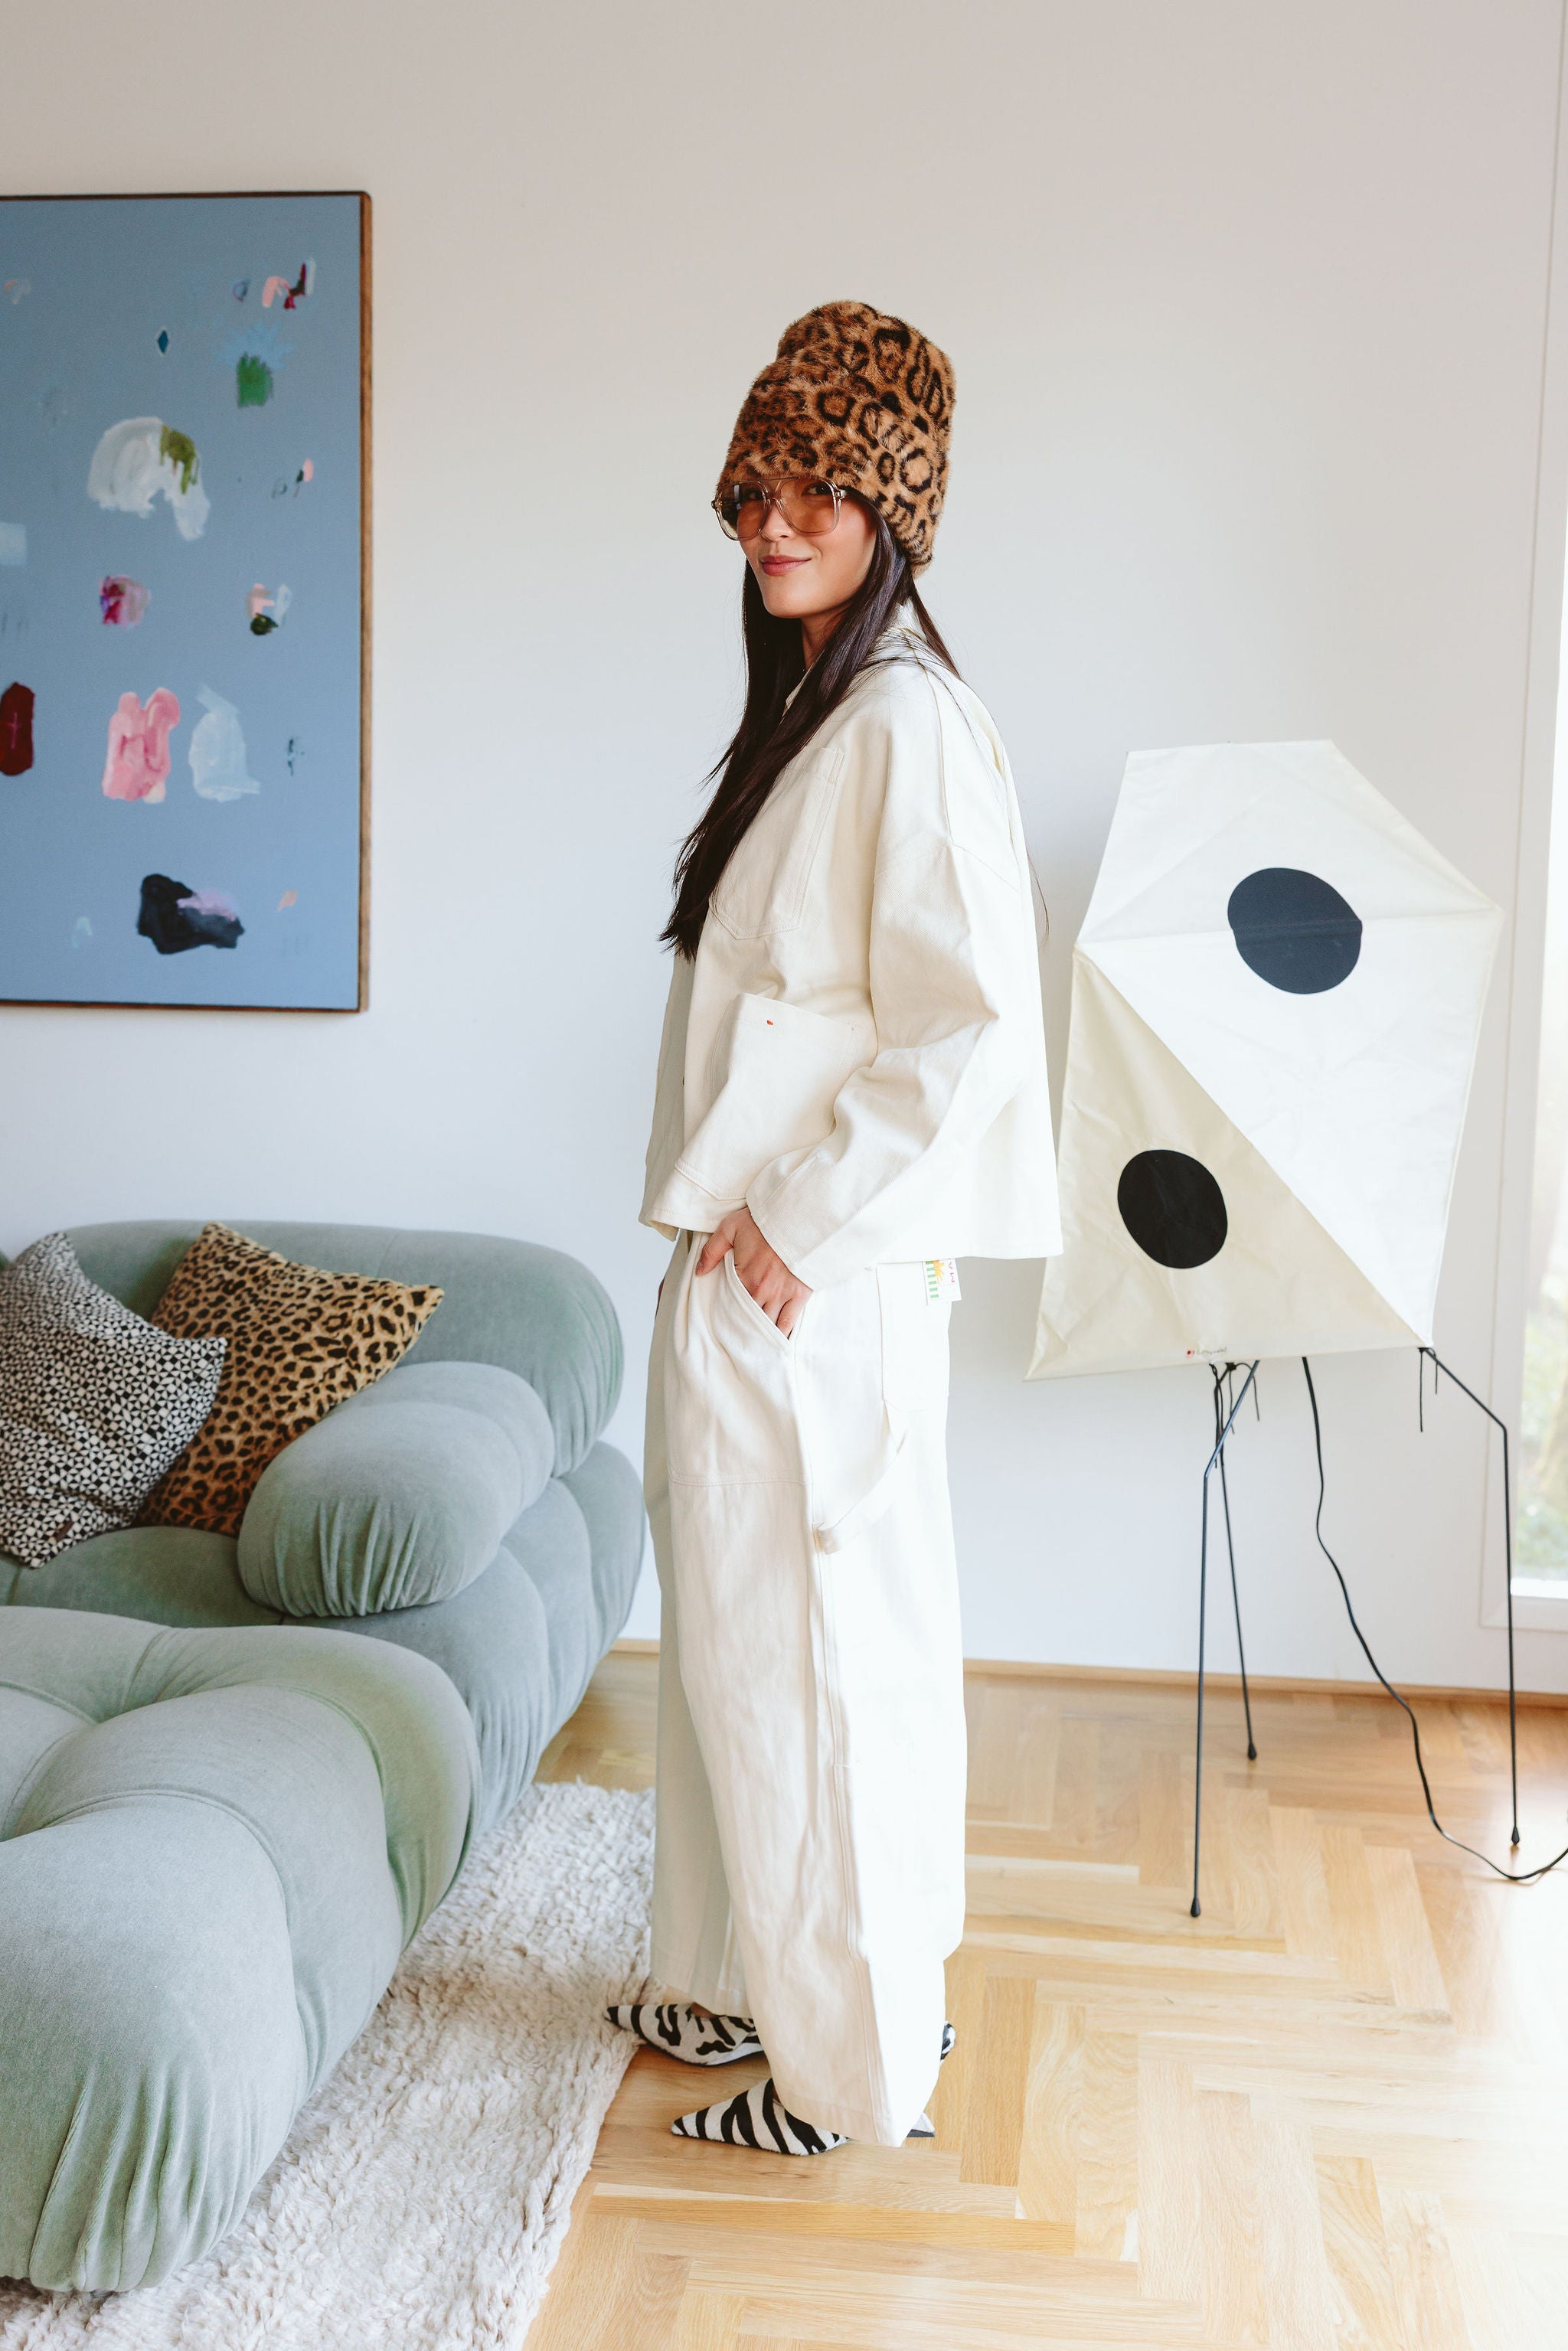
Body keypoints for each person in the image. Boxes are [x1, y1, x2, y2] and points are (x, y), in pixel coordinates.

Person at [609, 302, 1059, 2154]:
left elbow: (971, 1023)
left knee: (821, 1666)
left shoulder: (908, 726)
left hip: (810, 1282)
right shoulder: (820, 718)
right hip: (754, 1273)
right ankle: (736, 1982)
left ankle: (849, 2074)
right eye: (754, 483)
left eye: (818, 483)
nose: (774, 518)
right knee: (739, 1653)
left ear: (893, 505)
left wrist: (793, 1229)